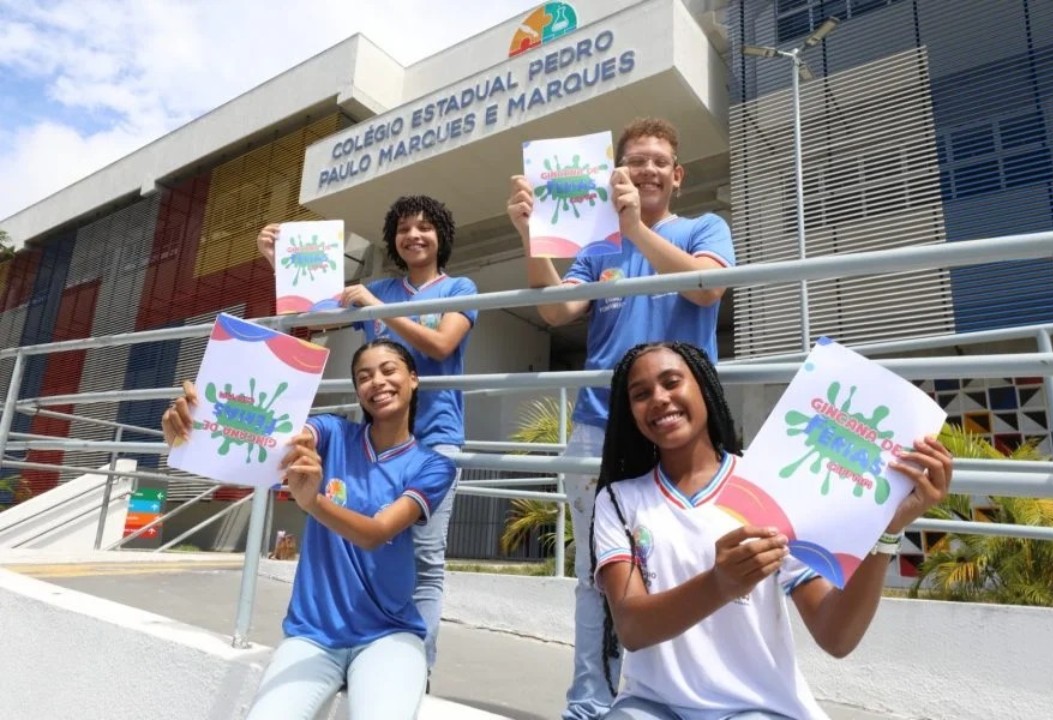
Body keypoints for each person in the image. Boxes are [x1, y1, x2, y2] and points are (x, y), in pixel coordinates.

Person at [505, 117, 736, 719]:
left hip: (684, 432)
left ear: (678, 175)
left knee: (690, 565)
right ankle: (587, 703)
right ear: (617, 173)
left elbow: (709, 289)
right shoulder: (596, 247)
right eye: (636, 160)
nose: (648, 169)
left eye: (660, 160)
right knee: (596, 577)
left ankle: (686, 697)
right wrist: (533, 235)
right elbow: (557, 313)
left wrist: (635, 227)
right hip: (598, 426)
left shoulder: (704, 227)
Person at [591, 341, 953, 720]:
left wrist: (887, 530)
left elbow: (836, 636)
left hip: (754, 709)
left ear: (703, 385)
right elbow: (631, 626)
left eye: (672, 382)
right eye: (641, 394)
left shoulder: (771, 484)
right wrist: (719, 584)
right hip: (652, 707)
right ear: (629, 412)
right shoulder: (618, 500)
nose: (660, 399)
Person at [161, 339, 456, 719]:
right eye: (364, 377)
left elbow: (375, 534)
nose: (377, 382)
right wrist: (194, 430)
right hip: (313, 636)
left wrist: (313, 502)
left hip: (389, 636)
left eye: (388, 370)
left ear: (413, 379)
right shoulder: (333, 433)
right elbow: (277, 438)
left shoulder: (431, 465)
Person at [257, 195, 477, 673]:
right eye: (403, 228)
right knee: (359, 539)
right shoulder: (377, 288)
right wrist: (282, 262)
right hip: (373, 440)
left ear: (441, 235)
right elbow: (312, 316)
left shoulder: (459, 286)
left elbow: (441, 345)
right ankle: (357, 644)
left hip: (433, 438)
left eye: (424, 226)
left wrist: (378, 307)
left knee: (425, 559)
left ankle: (419, 666)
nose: (414, 235)